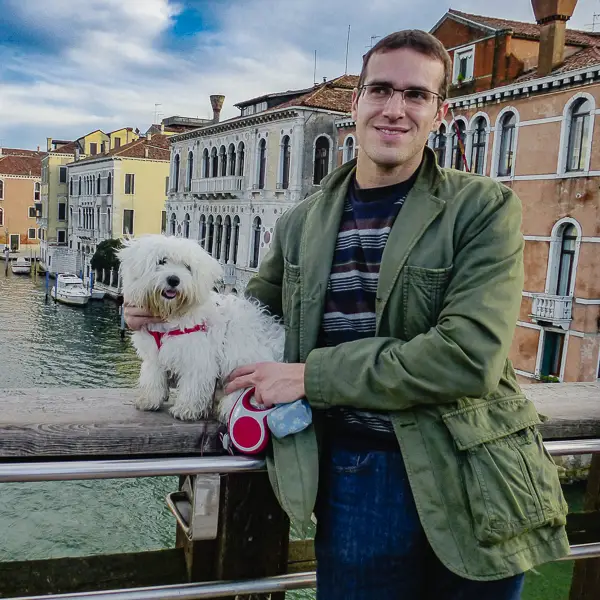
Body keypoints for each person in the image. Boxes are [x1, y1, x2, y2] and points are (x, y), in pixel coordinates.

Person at [126, 30, 570, 600]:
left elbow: (468, 357)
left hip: (471, 471)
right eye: (380, 90)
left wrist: (310, 376)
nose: (394, 108)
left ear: (441, 111)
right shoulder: (301, 222)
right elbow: (244, 313)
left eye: (415, 95)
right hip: (354, 474)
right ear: (355, 103)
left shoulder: (483, 208)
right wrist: (157, 305)